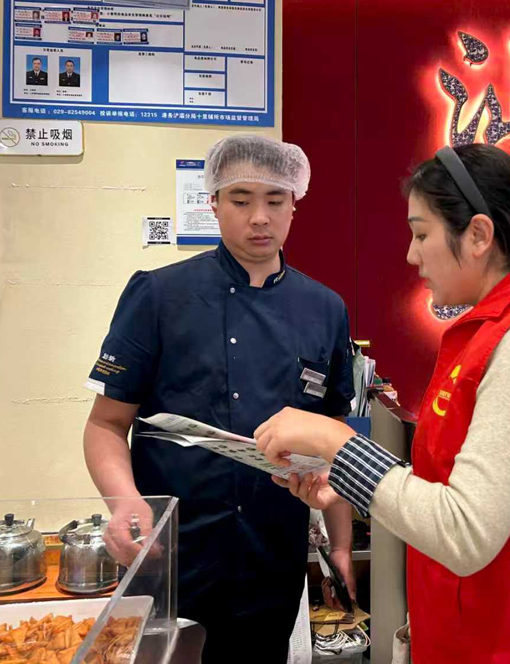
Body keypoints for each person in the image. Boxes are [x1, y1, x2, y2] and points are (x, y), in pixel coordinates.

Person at [256, 144, 510, 663]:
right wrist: (346, 478)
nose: (412, 254)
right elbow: (446, 486)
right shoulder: (484, 332)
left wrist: (340, 443)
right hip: (471, 635)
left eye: (422, 234)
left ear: (478, 235)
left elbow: (466, 531)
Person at [82, 136, 357, 663]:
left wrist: (340, 547)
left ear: (294, 205)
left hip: (272, 555)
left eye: (275, 200)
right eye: (240, 200)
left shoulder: (324, 308)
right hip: (172, 554)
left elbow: (334, 440)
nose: (259, 217)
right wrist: (124, 501)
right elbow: (106, 424)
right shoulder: (158, 295)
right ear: (212, 202)